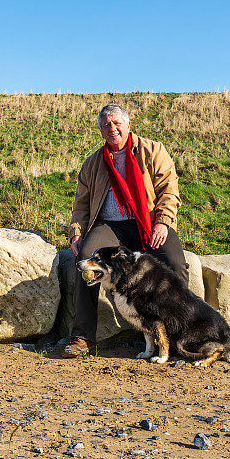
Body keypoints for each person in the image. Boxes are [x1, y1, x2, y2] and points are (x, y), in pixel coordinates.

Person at [62, 104, 189, 358]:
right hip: (110, 226)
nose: (113, 129)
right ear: (101, 131)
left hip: (149, 222)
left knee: (174, 263)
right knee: (86, 256)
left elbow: (169, 190)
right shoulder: (93, 163)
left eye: (117, 123)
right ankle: (83, 337)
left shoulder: (153, 151)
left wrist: (163, 221)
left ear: (128, 125)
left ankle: (181, 333)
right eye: (106, 125)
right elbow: (81, 204)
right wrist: (76, 232)